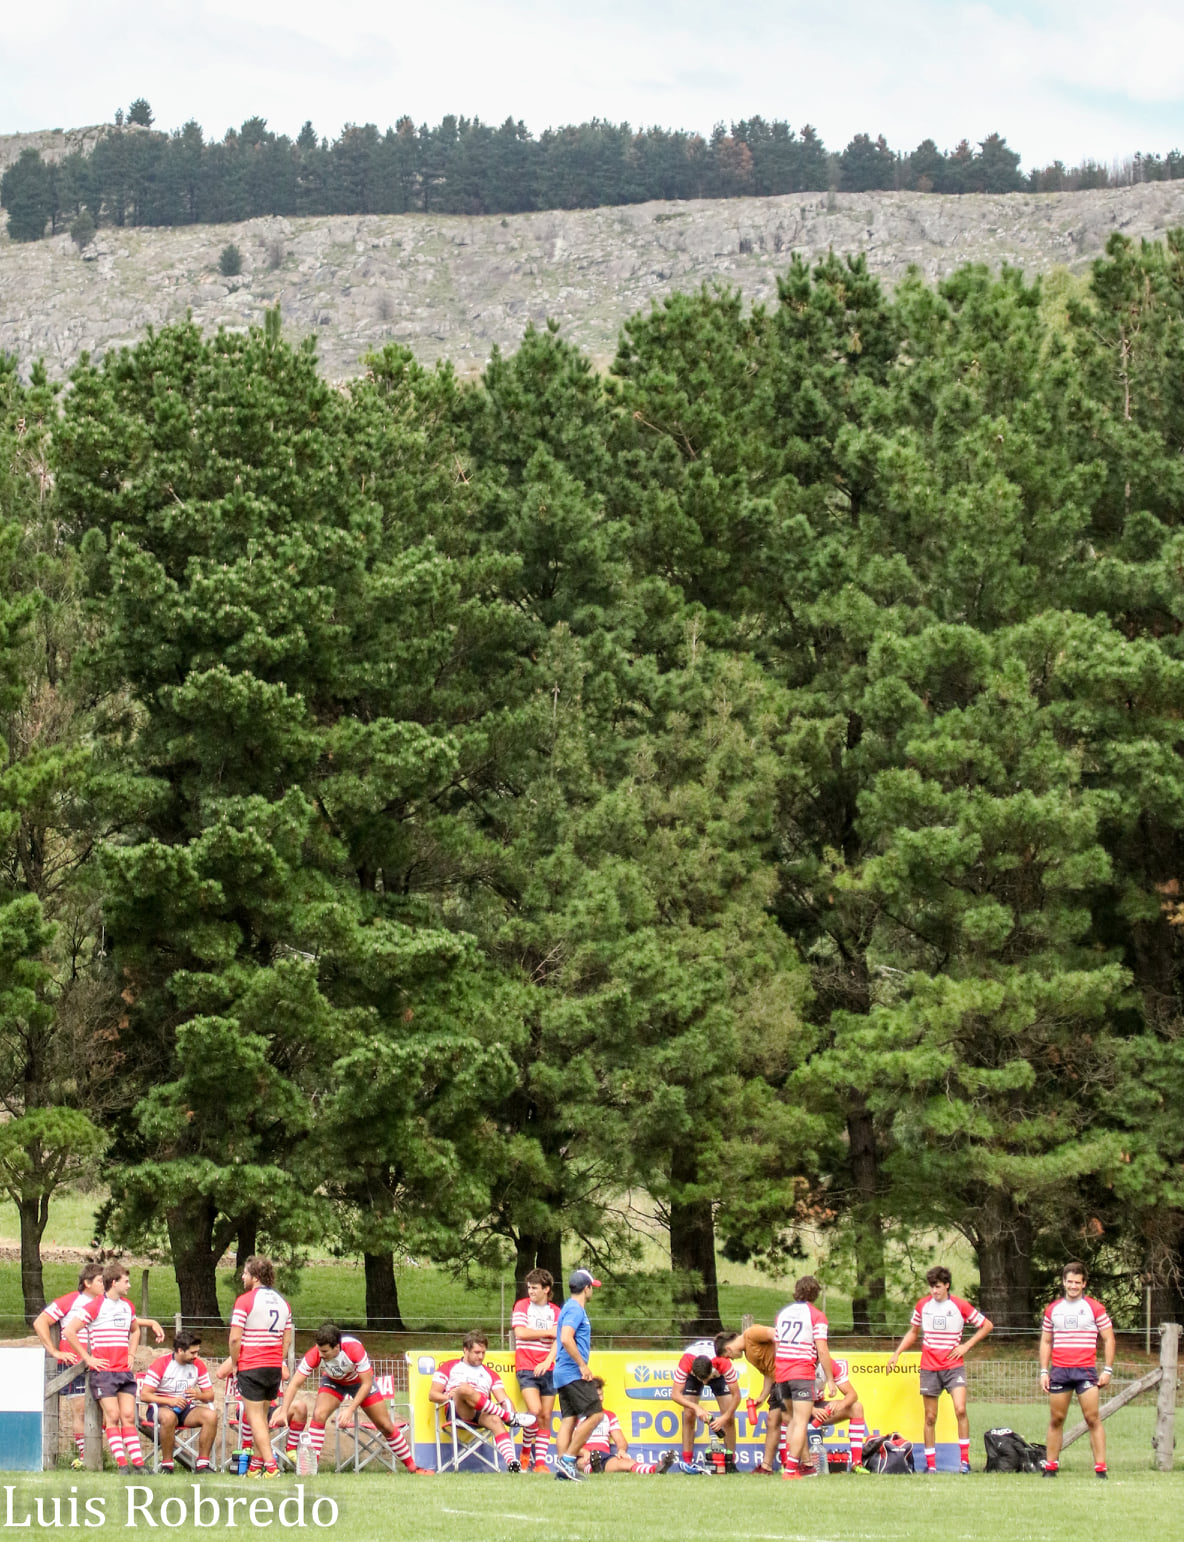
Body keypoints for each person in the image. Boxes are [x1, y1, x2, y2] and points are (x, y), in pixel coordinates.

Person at [274, 1321, 431, 1474]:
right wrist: (283, 1412)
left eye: (325, 1352)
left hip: (360, 1384)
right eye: (319, 1351)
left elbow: (367, 1384)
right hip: (333, 1382)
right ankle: (311, 1469)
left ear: (337, 1347)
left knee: (385, 1425)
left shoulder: (354, 1349)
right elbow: (294, 1383)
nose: (321, 1355)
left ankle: (412, 1467)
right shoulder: (316, 1353)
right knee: (318, 1415)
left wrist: (350, 1409)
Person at [887, 1265, 993, 1473]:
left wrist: (966, 1346)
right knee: (930, 1417)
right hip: (929, 1367)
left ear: (947, 1286)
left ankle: (964, 1461)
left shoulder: (959, 1305)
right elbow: (913, 1332)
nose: (934, 1291)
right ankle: (931, 1465)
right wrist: (897, 1352)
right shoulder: (923, 1305)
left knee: (960, 1409)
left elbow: (987, 1325)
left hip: (953, 1366)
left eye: (937, 1287)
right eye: (931, 1287)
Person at [64, 1261, 163, 1472]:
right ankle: (122, 1464)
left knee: (128, 1416)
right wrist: (87, 1359)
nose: (129, 1285)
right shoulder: (96, 1305)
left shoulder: (128, 1306)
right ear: (114, 1282)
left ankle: (138, 1464)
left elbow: (135, 1330)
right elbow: (70, 1331)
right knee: (113, 1417)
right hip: (104, 1372)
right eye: (126, 1281)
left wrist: (131, 1353)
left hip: (123, 1372)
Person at [215, 1255, 292, 1480]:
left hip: (252, 1365)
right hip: (273, 1366)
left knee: (254, 1418)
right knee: (263, 1419)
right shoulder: (283, 1303)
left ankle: (271, 1466)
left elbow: (234, 1340)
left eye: (246, 1274)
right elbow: (286, 1340)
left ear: (255, 1277)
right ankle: (256, 1467)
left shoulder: (245, 1300)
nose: (242, 1277)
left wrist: (236, 1363)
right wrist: (279, 1360)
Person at [1039, 1261, 1115, 1479]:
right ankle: (1051, 1467)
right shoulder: (1053, 1309)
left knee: (1092, 1418)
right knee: (1056, 1419)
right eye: (1069, 1282)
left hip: (1086, 1371)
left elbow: (1109, 1338)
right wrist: (1044, 1371)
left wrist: (1107, 1369)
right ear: (1064, 1282)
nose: (1072, 1286)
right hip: (1060, 1371)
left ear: (1084, 1284)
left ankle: (1101, 1469)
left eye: (1077, 1282)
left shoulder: (1094, 1308)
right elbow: (1045, 1341)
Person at [429, 1330, 535, 1473]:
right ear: (465, 1350)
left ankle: (511, 1462)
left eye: (483, 1353)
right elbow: (433, 1395)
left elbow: (503, 1398)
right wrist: (448, 1396)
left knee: (496, 1420)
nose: (481, 1356)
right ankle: (508, 1418)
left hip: (481, 1412)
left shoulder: (490, 1374)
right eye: (477, 1352)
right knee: (464, 1389)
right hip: (458, 1410)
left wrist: (511, 1409)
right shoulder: (449, 1367)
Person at [34, 1262, 105, 1466]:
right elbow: (40, 1322)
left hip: (101, 1362)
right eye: (100, 1281)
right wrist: (54, 1351)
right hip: (74, 1365)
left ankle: (95, 1450)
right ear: (87, 1283)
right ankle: (84, 1458)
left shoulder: (106, 1303)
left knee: (109, 1411)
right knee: (80, 1410)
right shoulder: (71, 1300)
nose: (104, 1284)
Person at [773, 1275, 840, 1480]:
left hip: (782, 1371)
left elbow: (777, 1344)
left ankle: (791, 1466)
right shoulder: (817, 1316)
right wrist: (830, 1378)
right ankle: (792, 1469)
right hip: (801, 1372)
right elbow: (822, 1349)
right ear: (816, 1294)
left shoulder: (782, 1313)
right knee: (802, 1421)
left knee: (792, 1419)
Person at [139, 1330, 217, 1473]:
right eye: (193, 1353)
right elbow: (144, 1395)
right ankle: (167, 1464)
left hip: (186, 1409)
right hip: (160, 1407)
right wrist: (170, 1401)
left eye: (197, 1352)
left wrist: (198, 1395)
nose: (196, 1356)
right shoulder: (161, 1364)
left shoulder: (198, 1365)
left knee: (211, 1416)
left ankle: (203, 1464)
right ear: (180, 1350)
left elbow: (210, 1395)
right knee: (169, 1417)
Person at [553, 1268, 604, 1482]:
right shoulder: (575, 1309)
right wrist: (582, 1365)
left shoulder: (568, 1307)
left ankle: (563, 1469)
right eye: (592, 1288)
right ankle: (568, 1461)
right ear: (587, 1288)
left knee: (569, 1419)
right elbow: (566, 1338)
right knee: (596, 1414)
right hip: (572, 1372)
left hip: (562, 1372)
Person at [511, 1267, 560, 1473]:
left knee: (546, 1416)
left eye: (535, 1288)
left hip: (548, 1367)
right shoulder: (522, 1306)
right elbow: (520, 1333)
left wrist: (548, 1360)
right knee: (534, 1411)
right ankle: (525, 1452)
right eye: (529, 1287)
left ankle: (540, 1463)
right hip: (526, 1366)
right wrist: (547, 1332)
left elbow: (559, 1339)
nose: (530, 1291)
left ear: (546, 1289)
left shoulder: (556, 1311)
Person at [670, 1332, 741, 1472]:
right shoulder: (686, 1362)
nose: (704, 1383)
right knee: (689, 1414)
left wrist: (724, 1418)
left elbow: (737, 1396)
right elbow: (675, 1394)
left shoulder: (722, 1362)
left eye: (706, 1379)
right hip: (696, 1369)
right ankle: (687, 1462)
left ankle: (730, 1462)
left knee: (730, 1417)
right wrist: (696, 1407)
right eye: (701, 1380)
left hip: (716, 1373)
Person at [576, 1380, 676, 1474]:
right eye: (598, 1396)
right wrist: (584, 1452)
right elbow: (570, 1444)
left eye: (602, 1395)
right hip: (584, 1457)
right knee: (582, 1463)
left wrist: (621, 1450)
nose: (601, 1399)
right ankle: (593, 1467)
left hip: (604, 1456)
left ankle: (654, 1469)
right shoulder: (578, 1417)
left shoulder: (609, 1416)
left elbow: (620, 1440)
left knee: (627, 1462)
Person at [723, 1323, 784, 1474]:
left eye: (728, 1357)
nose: (732, 1360)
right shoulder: (749, 1355)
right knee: (773, 1421)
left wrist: (782, 1360)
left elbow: (776, 1333)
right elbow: (769, 1372)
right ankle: (766, 1467)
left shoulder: (751, 1333)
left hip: (789, 1375)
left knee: (788, 1420)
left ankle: (796, 1464)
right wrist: (762, 1396)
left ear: (728, 1348)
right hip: (778, 1380)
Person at [809, 1354, 868, 1473]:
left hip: (818, 1405)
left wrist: (840, 1404)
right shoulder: (798, 1361)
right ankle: (786, 1464)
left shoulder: (829, 1363)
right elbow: (787, 1395)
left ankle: (856, 1463)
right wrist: (811, 1410)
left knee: (856, 1408)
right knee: (781, 1410)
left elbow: (852, 1394)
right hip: (796, 1406)